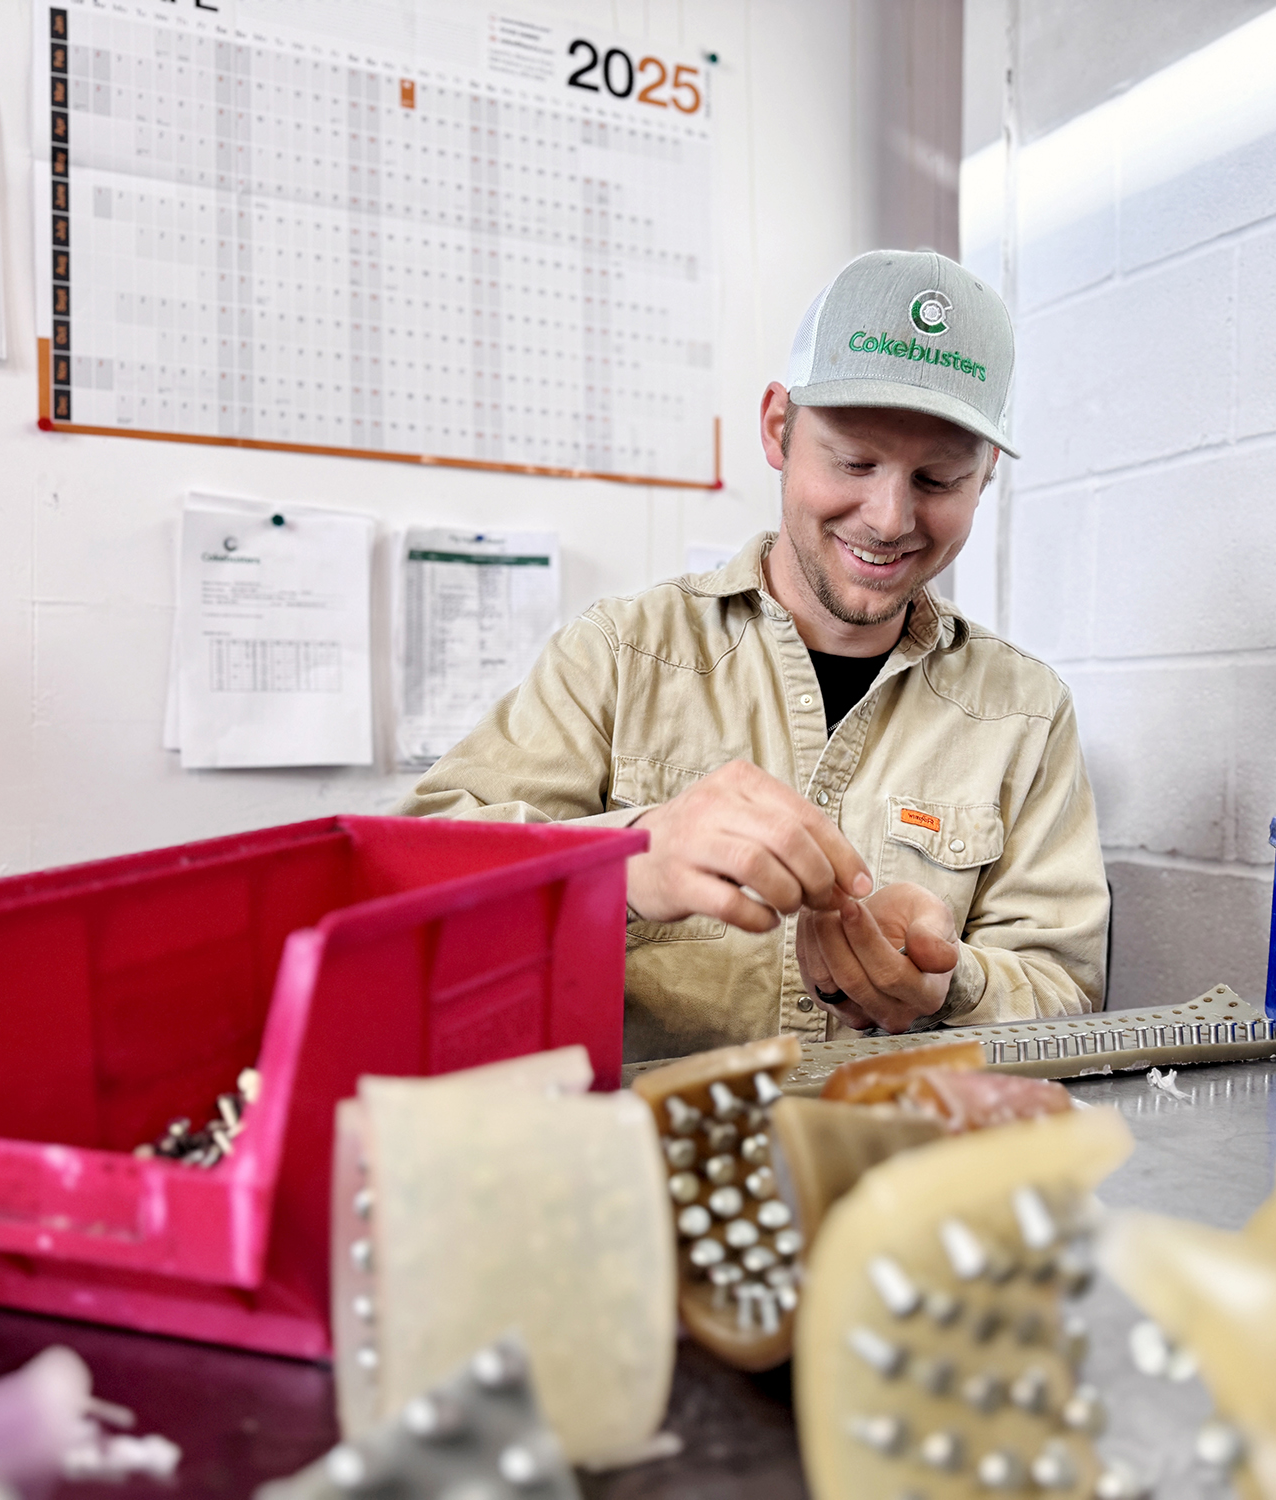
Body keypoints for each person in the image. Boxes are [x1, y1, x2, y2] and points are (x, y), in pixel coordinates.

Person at [400, 250, 1109, 1061]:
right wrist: (623, 863)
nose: (887, 517)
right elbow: (411, 877)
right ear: (779, 428)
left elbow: (1065, 992)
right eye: (853, 462)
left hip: (896, 1167)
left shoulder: (1025, 711)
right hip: (637, 1165)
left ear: (985, 481)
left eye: (939, 480)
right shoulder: (622, 655)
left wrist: (953, 984)